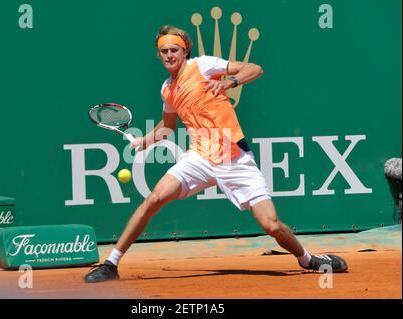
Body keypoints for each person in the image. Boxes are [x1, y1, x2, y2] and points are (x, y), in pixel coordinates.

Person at [84, 25, 347, 283]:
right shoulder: (167, 89)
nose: (169, 55)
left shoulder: (203, 66)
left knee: (272, 225)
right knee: (153, 200)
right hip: (199, 156)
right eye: (163, 51)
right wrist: (145, 140)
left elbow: (255, 68)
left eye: (174, 49)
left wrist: (230, 81)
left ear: (185, 50)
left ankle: (308, 259)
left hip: (234, 157)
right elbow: (167, 127)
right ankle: (111, 263)